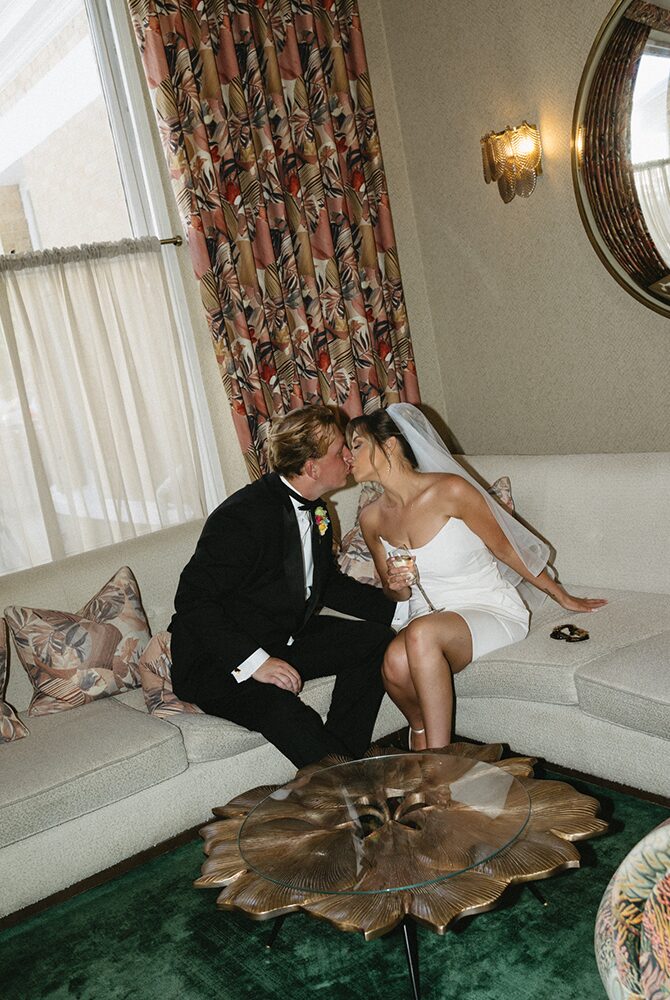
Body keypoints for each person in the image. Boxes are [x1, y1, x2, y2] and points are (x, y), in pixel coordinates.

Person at [346, 403, 607, 751]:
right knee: (393, 663)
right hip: (427, 617)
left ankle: (441, 762)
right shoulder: (371, 518)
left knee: (420, 636)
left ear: (390, 445)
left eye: (357, 445)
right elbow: (397, 596)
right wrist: (396, 586)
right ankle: (419, 728)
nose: (348, 457)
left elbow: (507, 550)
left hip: (487, 607)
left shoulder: (451, 491)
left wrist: (561, 595)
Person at [168, 405, 398, 769]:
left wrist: (406, 610)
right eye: (340, 450)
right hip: (216, 660)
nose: (349, 457)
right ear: (312, 467)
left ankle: (345, 765)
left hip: (279, 636)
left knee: (377, 641)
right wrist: (256, 662)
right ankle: (348, 783)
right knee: (281, 708)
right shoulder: (242, 516)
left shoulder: (317, 510)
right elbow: (193, 602)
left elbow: (328, 585)